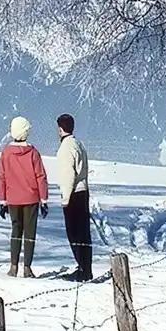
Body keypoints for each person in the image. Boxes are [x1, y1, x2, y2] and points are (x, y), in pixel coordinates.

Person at [0, 115, 50, 278]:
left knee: (15, 231)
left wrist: (2, 200)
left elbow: (1, 177)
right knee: (30, 234)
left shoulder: (6, 153)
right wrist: (44, 199)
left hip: (12, 198)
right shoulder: (33, 153)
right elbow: (41, 176)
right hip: (31, 198)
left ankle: (13, 266)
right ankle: (27, 267)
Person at [55, 113, 93, 281]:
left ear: (61, 129)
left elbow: (68, 174)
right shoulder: (78, 144)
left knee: (74, 232)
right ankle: (86, 268)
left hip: (74, 193)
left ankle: (82, 269)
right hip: (83, 191)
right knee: (84, 233)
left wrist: (65, 198)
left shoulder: (66, 148)